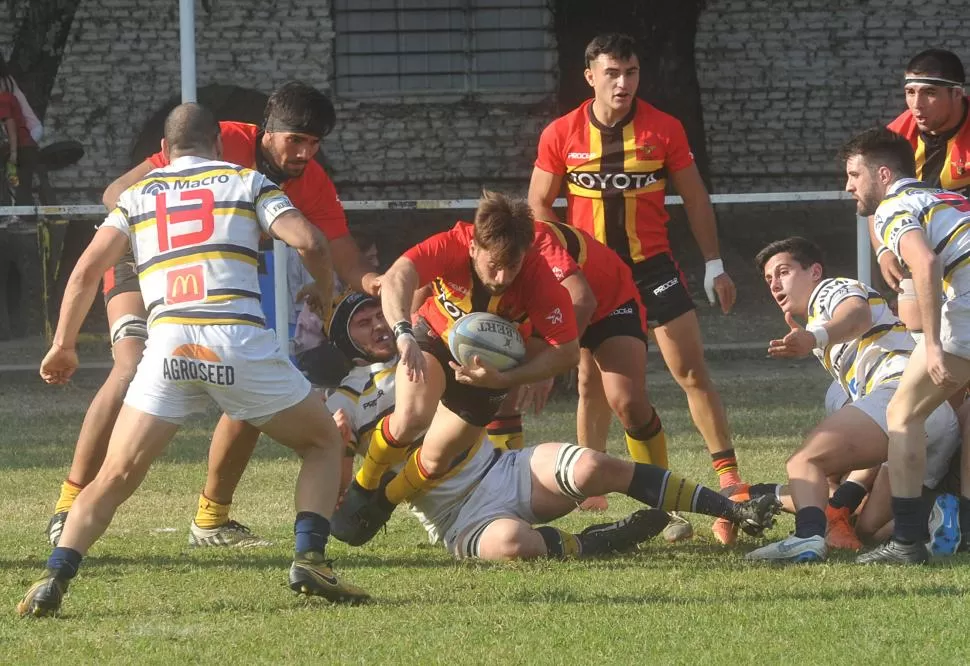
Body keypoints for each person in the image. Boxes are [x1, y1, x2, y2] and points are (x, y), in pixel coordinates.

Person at [18, 104, 369, 618]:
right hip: (236, 339)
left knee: (116, 474)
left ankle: (55, 575)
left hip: (169, 346)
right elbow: (312, 241)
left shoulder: (139, 193)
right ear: (216, 143)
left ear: (165, 147)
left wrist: (63, 343)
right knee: (321, 442)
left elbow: (86, 270)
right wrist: (321, 293)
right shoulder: (246, 181)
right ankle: (310, 558)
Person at [320, 290, 780, 560]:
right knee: (514, 545)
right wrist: (339, 443)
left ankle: (730, 508)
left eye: (379, 314)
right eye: (362, 324)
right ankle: (596, 542)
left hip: (502, 469)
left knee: (591, 466)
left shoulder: (429, 348)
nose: (378, 326)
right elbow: (345, 492)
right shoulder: (345, 395)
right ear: (346, 339)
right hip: (456, 515)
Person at [528, 33, 742, 545]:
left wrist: (715, 264)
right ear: (590, 77)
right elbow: (537, 206)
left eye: (631, 73)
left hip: (653, 270)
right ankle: (587, 481)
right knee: (590, 384)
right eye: (612, 74)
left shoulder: (664, 129)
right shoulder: (561, 133)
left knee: (690, 371)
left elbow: (694, 199)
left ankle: (729, 473)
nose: (623, 83)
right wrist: (561, 266)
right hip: (594, 279)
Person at [331, 191, 581, 546]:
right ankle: (365, 484)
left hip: (489, 369)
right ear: (475, 247)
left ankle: (384, 502)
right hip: (434, 337)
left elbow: (568, 352)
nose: (502, 276)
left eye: (513, 265)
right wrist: (402, 334)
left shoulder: (538, 276)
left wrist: (508, 378)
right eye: (494, 264)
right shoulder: (452, 243)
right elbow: (399, 274)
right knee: (412, 416)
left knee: (440, 457)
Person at [744, 237, 959, 563]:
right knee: (871, 528)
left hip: (903, 396)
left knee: (803, 463)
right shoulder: (821, 329)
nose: (775, 283)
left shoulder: (830, 290)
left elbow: (856, 315)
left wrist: (815, 337)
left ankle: (806, 537)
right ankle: (940, 512)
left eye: (783, 271)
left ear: (814, 271)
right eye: (769, 279)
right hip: (926, 418)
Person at [845, 126, 970, 564]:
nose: (849, 186)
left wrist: (933, 345)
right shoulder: (941, 197)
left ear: (882, 174)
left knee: (902, 414)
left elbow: (927, 262)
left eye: (853, 175)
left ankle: (907, 543)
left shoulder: (894, 206)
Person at [875, 49, 970, 331]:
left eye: (929, 93)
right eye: (910, 92)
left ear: (957, 94)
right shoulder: (896, 135)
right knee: (915, 325)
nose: (917, 105)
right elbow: (873, 197)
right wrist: (883, 250)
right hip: (925, 250)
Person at [0, 80, 38, 206]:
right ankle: (26, 219)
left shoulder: (3, 100)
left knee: (13, 186)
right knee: (23, 189)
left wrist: (13, 153)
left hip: (20, 147)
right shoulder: (9, 97)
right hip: (26, 146)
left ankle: (8, 216)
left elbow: (10, 125)